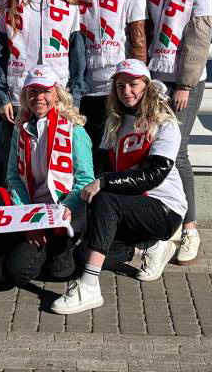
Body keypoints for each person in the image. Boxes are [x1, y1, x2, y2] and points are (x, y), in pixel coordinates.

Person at [50, 59, 186, 314]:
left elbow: (153, 175)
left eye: (133, 84)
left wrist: (105, 182)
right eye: (120, 85)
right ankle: (148, 248)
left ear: (147, 86)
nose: (126, 91)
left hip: (164, 209)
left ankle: (89, 286)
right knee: (83, 254)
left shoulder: (165, 123)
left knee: (105, 197)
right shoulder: (115, 122)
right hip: (125, 208)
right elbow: (102, 167)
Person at [147, 0, 212, 266]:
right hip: (156, 75)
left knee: (179, 152)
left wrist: (186, 83)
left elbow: (199, 33)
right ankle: (165, 221)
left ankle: (190, 229)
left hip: (182, 80)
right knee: (155, 150)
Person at [0, 65, 93, 286]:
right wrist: (27, 217)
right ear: (25, 96)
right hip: (33, 209)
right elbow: (13, 177)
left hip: (63, 213)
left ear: (57, 94)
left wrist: (68, 207)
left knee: (59, 272)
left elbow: (85, 180)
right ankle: (22, 250)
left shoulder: (74, 130)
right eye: (33, 91)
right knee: (16, 271)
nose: (39, 97)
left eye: (45, 91)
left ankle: (63, 252)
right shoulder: (21, 129)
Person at [0, 0, 85, 177]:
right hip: (19, 95)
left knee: (57, 161)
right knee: (17, 162)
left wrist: (76, 96)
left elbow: (77, 55)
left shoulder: (69, 2)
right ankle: (16, 201)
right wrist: (1, 97)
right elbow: (0, 54)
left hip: (58, 95)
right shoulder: (9, 1)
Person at [76, 0, 147, 150]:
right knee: (88, 145)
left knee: (116, 145)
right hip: (86, 83)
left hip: (118, 81)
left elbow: (138, 33)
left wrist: (138, 76)